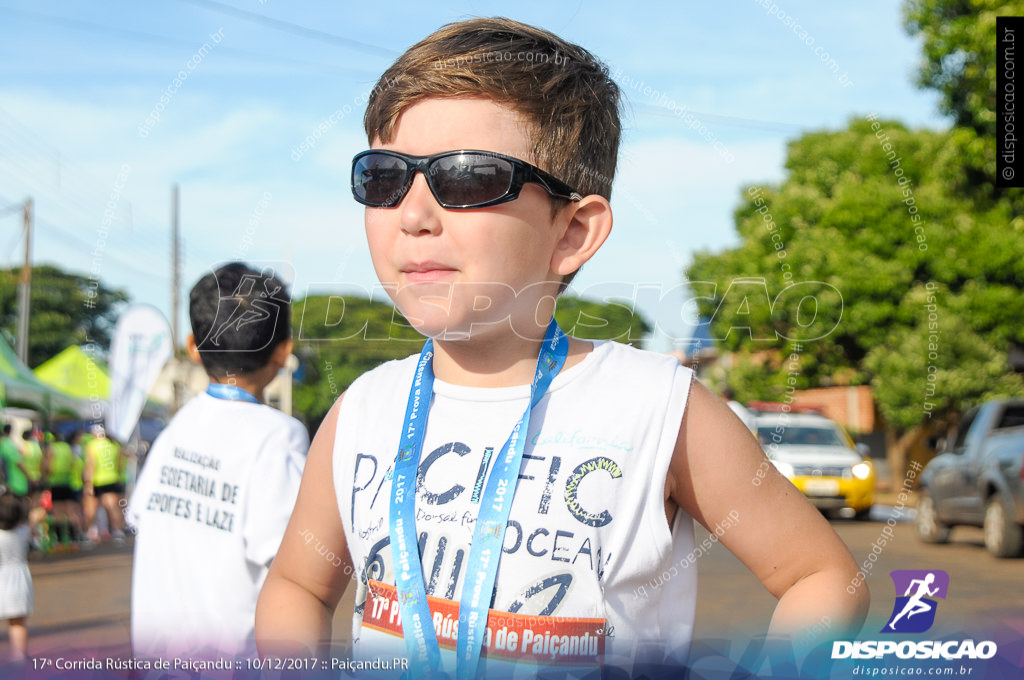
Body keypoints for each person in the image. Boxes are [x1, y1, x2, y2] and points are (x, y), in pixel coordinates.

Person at [256, 18, 869, 678]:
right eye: (384, 177)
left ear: (573, 231)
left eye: (465, 177)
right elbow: (297, 585)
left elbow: (821, 576)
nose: (414, 213)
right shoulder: (362, 412)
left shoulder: (657, 408)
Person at [128, 262, 308, 661]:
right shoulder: (279, 436)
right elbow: (298, 572)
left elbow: (139, 517)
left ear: (194, 347)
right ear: (283, 352)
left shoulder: (175, 429)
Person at [0, 493, 33, 662]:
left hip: (1, 582)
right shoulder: (23, 532)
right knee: (18, 624)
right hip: (20, 583)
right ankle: (19, 656)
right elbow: (34, 518)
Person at [82, 425, 126, 544]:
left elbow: (91, 465)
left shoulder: (92, 446)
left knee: (91, 509)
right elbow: (121, 464)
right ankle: (118, 532)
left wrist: (88, 484)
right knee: (113, 507)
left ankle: (89, 533)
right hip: (113, 478)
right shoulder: (114, 445)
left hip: (98, 480)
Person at [0, 426, 28, 499]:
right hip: (15, 485)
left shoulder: (6, 445)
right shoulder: (7, 445)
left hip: (13, 485)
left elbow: (18, 462)